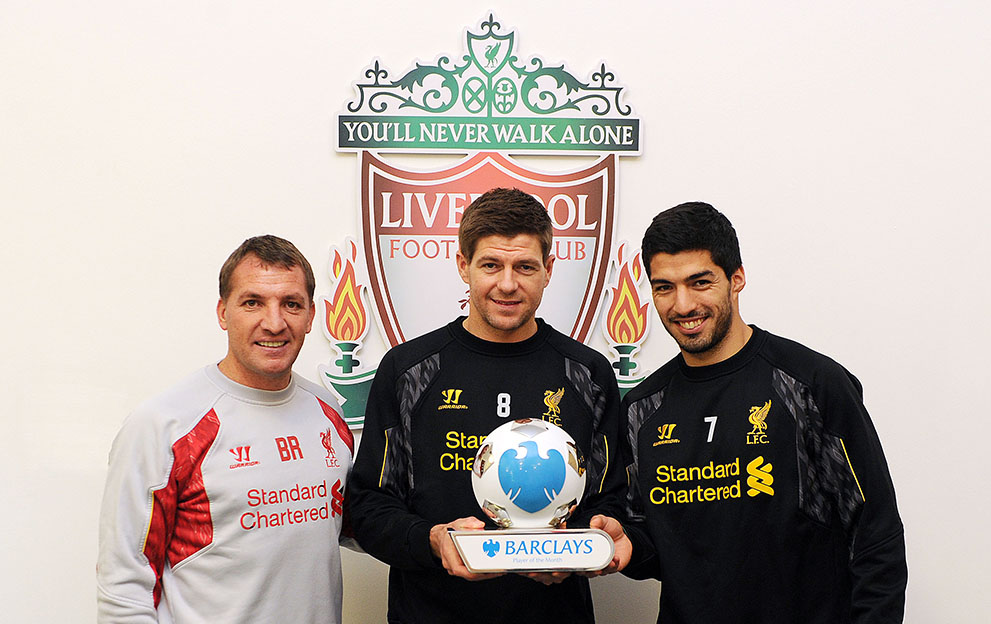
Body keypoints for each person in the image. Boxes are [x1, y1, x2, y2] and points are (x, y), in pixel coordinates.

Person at [614, 202, 907, 623]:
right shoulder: (643, 409)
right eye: (664, 287)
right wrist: (625, 545)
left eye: (700, 282)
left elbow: (875, 534)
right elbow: (659, 547)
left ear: (737, 278)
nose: (683, 305)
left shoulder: (810, 384)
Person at [348, 188, 626, 623]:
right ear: (463, 265)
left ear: (549, 269)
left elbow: (612, 500)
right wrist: (433, 540)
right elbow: (368, 505)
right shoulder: (408, 371)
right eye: (491, 265)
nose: (508, 284)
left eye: (525, 267)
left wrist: (587, 542)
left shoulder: (588, 374)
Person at [97, 235, 354, 623]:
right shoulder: (165, 424)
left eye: (291, 304)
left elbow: (350, 526)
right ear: (222, 313)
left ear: (310, 316)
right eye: (252, 303)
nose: (274, 323)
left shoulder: (328, 411)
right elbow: (123, 587)